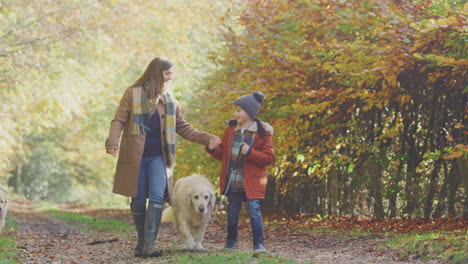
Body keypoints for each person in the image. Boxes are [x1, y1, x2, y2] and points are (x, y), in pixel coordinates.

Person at [105, 57, 217, 258]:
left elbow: (183, 128)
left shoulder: (170, 101)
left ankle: (149, 246)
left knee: (157, 198)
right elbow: (119, 119)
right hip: (135, 158)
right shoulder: (133, 93)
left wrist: (207, 139)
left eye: (171, 73)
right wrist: (113, 142)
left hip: (159, 157)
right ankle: (141, 242)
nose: (170, 77)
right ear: (157, 74)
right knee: (138, 202)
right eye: (167, 73)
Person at [206, 91, 275, 253]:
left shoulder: (262, 133)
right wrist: (212, 148)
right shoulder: (231, 130)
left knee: (254, 212)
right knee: (232, 213)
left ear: (249, 112)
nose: (235, 114)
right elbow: (223, 154)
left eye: (238, 111)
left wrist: (249, 152)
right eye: (235, 110)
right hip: (233, 181)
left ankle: (258, 245)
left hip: (252, 182)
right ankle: (230, 243)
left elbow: (269, 158)